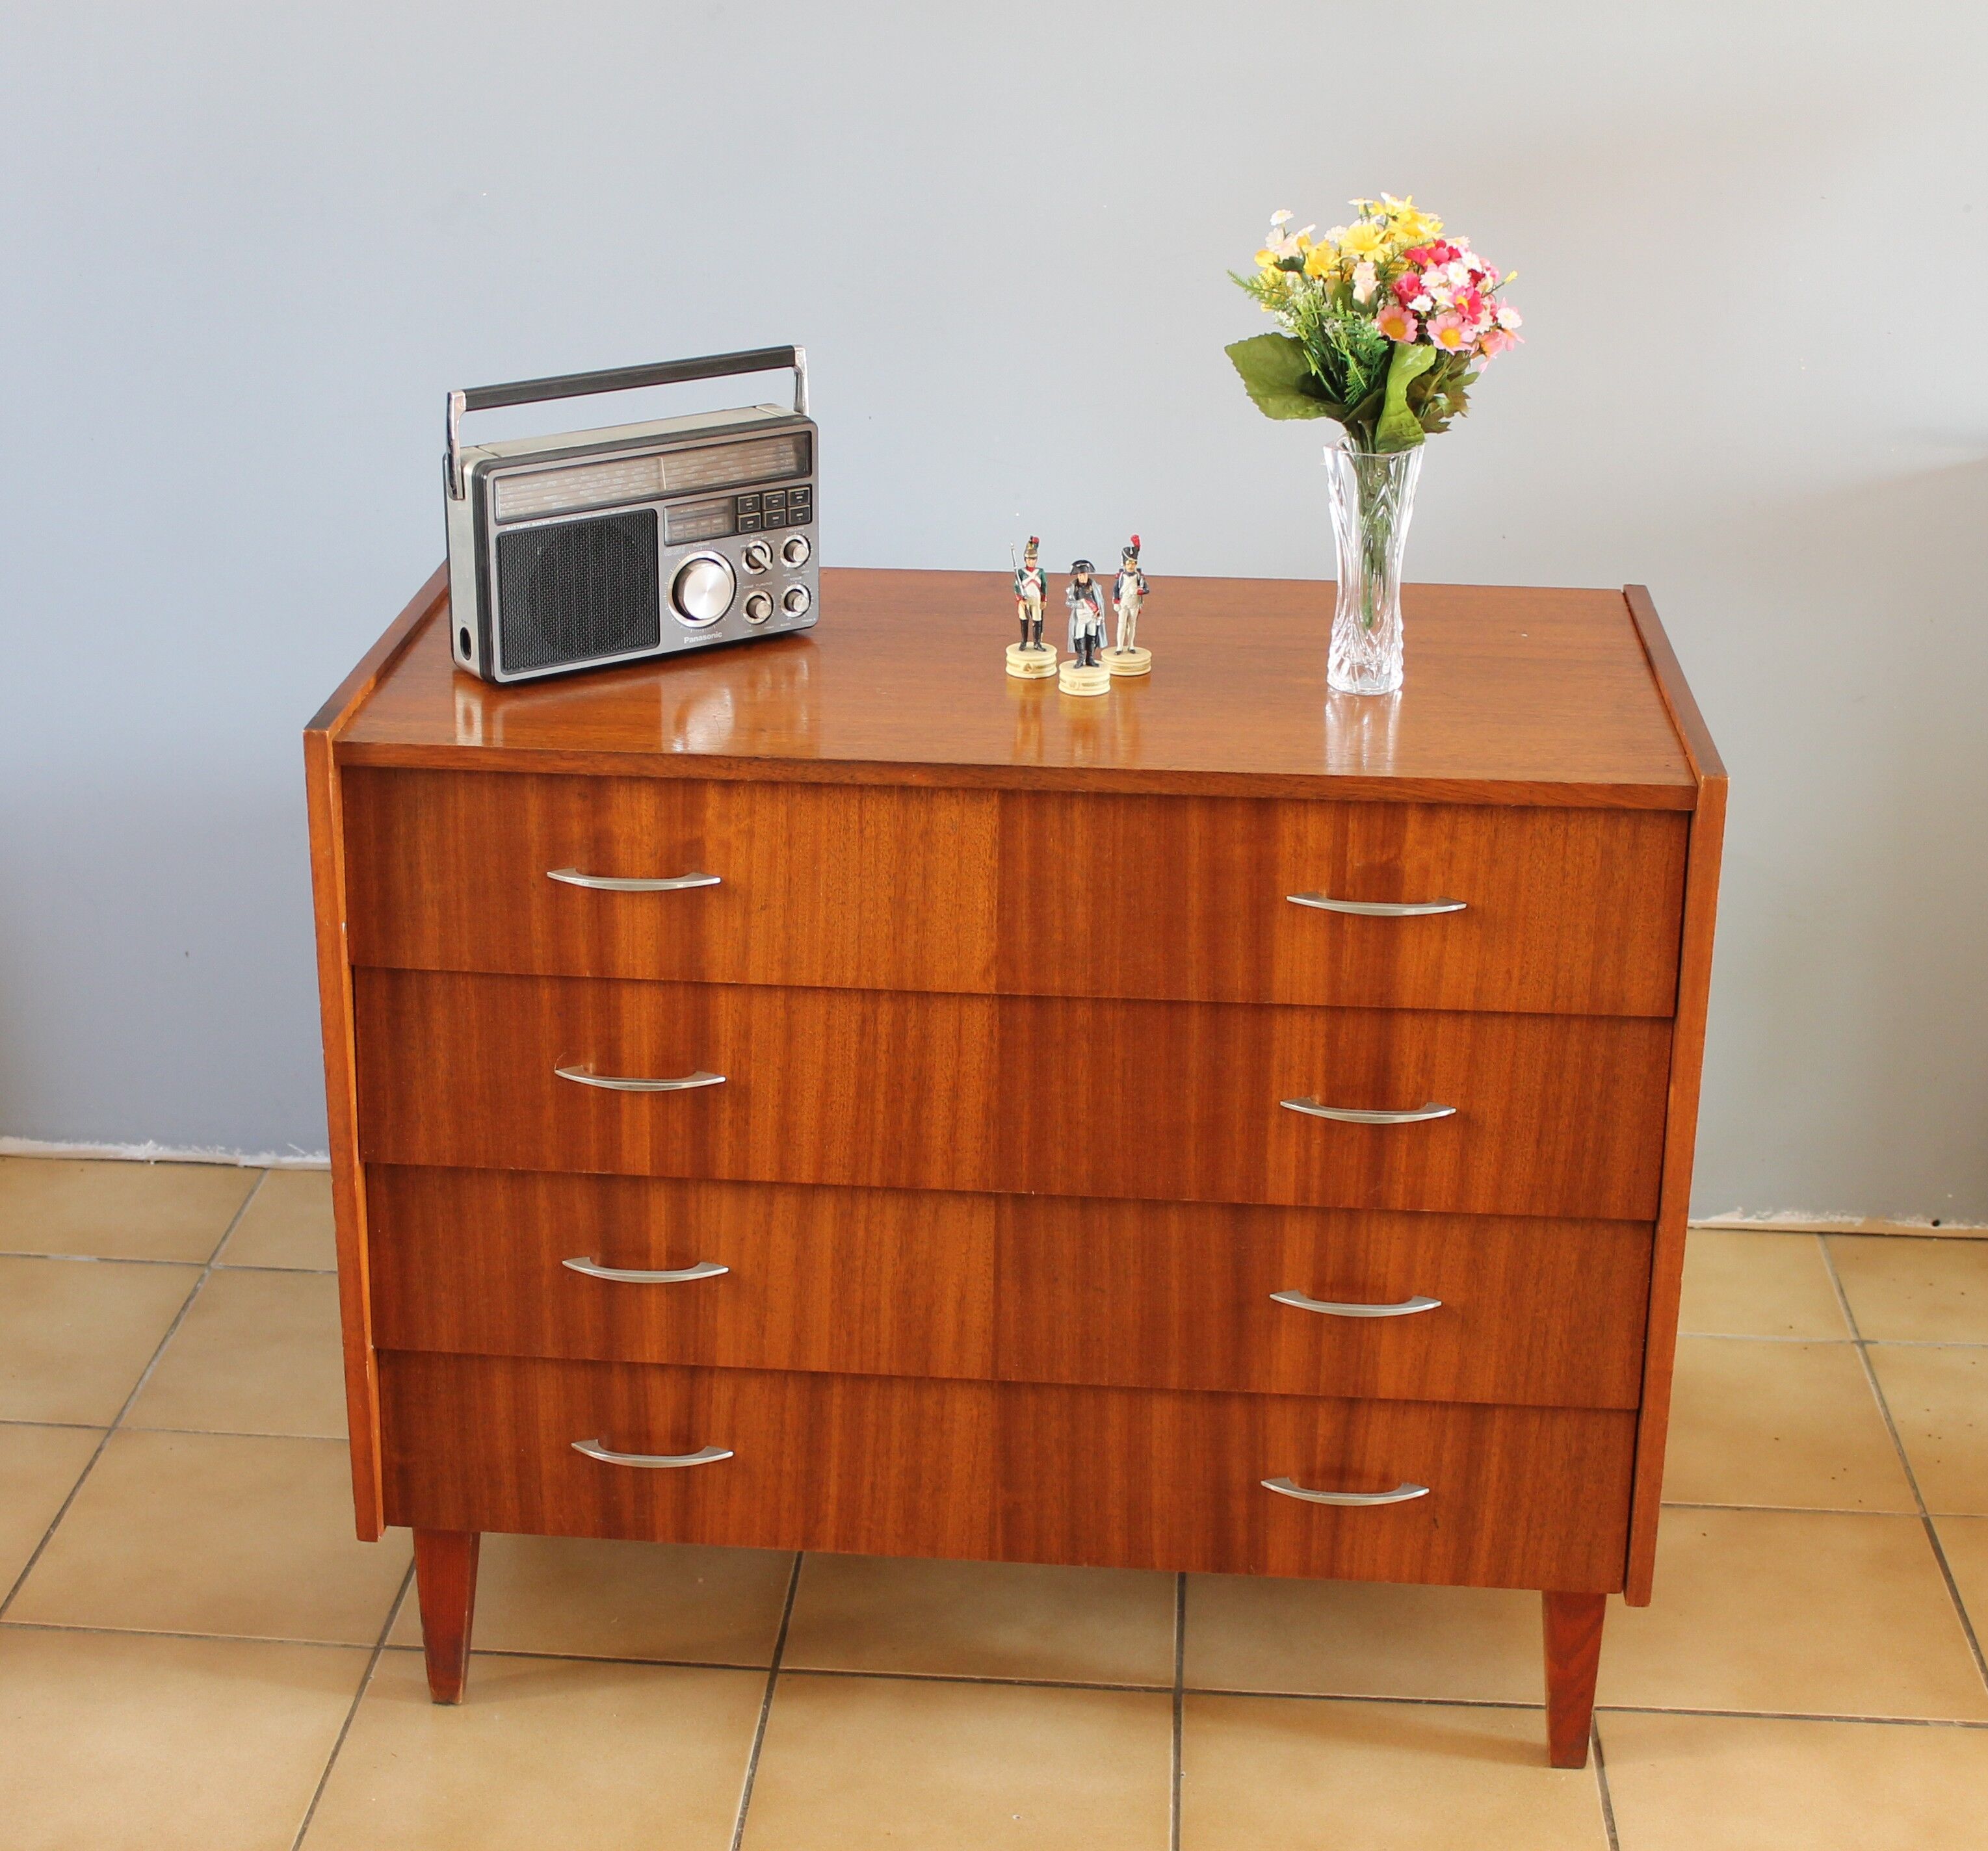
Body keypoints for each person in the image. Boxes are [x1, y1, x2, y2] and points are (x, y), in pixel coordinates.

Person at [1066, 560, 1106, 669]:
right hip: (1080, 617)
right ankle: (1081, 658)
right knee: (1079, 636)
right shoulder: (1074, 588)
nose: (1082, 577)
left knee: (1092, 636)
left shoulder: (1095, 587)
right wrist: (1079, 604)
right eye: (1080, 575)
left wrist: (1099, 613)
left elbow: (1100, 602)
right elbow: (1068, 602)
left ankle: (1090, 658)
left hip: (1092, 616)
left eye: (1084, 575)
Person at [1112, 536, 1148, 654]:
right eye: (1129, 564)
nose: (1131, 566)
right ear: (1125, 564)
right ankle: (1119, 646)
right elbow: (1116, 589)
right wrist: (1116, 601)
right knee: (1121, 626)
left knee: (1132, 626)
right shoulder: (1121, 577)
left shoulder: (1139, 577)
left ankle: (1131, 645)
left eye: (1133, 564)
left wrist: (1141, 591)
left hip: (1135, 603)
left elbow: (1147, 589)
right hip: (1123, 604)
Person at [1013, 536, 1048, 652]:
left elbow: (1044, 586)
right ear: (1025, 560)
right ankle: (1024, 642)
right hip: (1025, 600)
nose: (1031, 562)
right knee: (1024, 619)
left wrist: (1044, 600)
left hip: (1037, 599)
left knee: (1037, 620)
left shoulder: (1041, 572)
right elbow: (1017, 586)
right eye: (1029, 559)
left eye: (1033, 559)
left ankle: (1037, 643)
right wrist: (1020, 600)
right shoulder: (1021, 573)